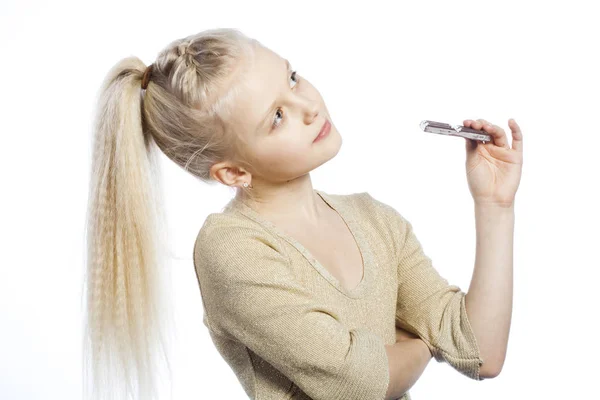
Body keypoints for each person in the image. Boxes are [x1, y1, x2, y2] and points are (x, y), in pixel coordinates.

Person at [83, 27, 523, 400]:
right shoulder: (231, 247)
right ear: (234, 172)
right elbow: (358, 382)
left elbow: (479, 349)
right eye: (276, 116)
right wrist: (430, 340)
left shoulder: (376, 220)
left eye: (291, 79)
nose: (309, 107)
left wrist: (495, 206)